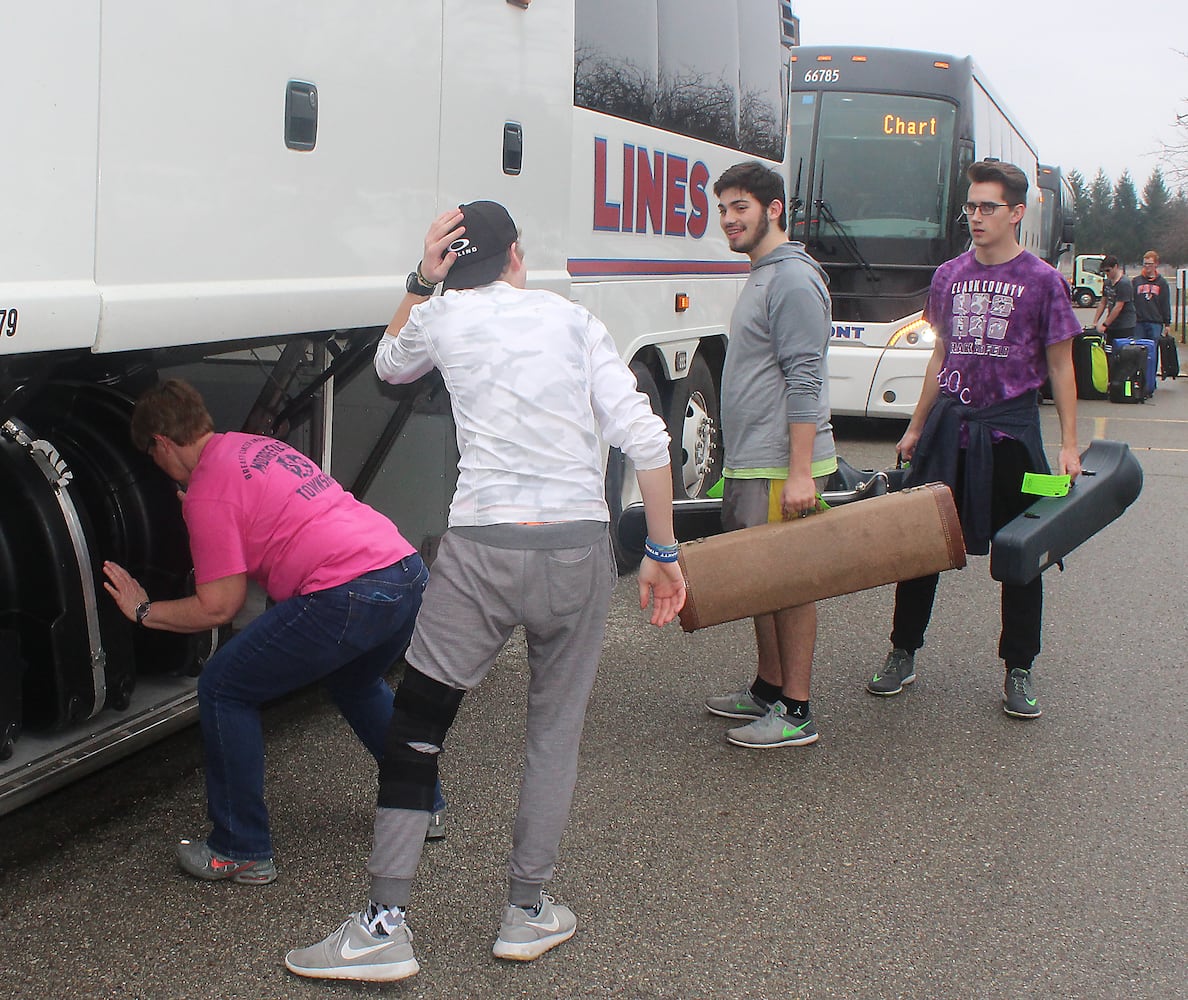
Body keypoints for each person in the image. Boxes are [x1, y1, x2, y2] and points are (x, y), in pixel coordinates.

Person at [285, 201, 685, 982]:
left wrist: (417, 280)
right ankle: (526, 913)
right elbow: (647, 439)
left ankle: (383, 927)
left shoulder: (441, 317)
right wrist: (665, 551)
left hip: (482, 550)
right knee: (552, 735)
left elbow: (390, 366)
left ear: (453, 267)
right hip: (575, 549)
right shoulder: (572, 321)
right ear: (515, 258)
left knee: (417, 728)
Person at [102, 380, 430, 884]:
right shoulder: (257, 445)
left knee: (223, 687)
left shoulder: (208, 493)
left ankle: (239, 848)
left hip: (347, 592)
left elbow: (220, 606)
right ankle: (422, 804)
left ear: (162, 443)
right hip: (403, 572)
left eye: (152, 454)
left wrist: (145, 610)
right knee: (355, 680)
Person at [864, 160, 1081, 719]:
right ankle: (902, 651)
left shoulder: (1042, 282)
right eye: (971, 206)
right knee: (921, 545)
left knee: (1021, 555)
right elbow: (941, 355)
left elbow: (1061, 368)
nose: (976, 216)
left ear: (1016, 212)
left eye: (988, 207)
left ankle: (1019, 667)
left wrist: (1069, 444)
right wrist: (915, 427)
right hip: (949, 430)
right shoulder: (948, 276)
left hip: (1012, 434)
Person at [702, 161, 837, 749]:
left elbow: (805, 379)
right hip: (755, 461)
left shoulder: (792, 280)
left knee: (790, 582)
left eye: (740, 207)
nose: (729, 219)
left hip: (786, 466)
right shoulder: (763, 273)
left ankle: (798, 710)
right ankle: (767, 687)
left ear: (773, 209)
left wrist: (803, 473)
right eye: (724, 208)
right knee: (762, 579)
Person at [1092, 254, 1136, 347]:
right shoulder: (1107, 282)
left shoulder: (1124, 283)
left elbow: (1118, 307)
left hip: (1125, 325)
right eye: (1104, 271)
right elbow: (1103, 302)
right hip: (1112, 324)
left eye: (1108, 270)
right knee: (1109, 350)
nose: (1106, 273)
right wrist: (1095, 322)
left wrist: (1105, 324)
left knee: (1122, 352)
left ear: (1115, 267)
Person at [1134, 249, 1172, 345]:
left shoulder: (1162, 283)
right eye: (1145, 264)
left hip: (1155, 322)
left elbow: (1165, 304)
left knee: (1152, 350)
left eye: (1150, 264)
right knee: (1138, 350)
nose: (1147, 266)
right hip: (1139, 322)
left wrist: (1167, 323)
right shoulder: (1136, 281)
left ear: (1156, 264)